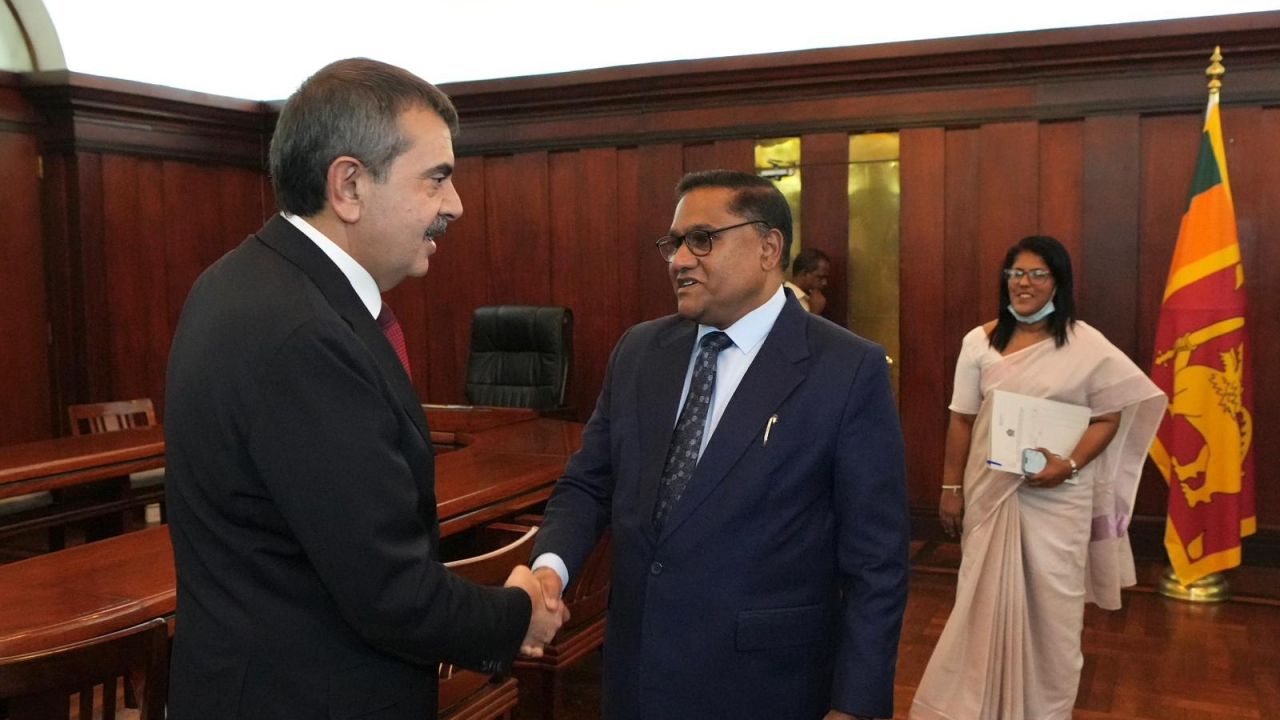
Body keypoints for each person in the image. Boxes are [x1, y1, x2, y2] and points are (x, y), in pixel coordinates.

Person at [164, 58, 564, 720]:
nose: (455, 205)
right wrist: (518, 614)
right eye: (436, 178)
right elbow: (391, 594)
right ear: (349, 185)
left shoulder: (241, 280)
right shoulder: (306, 335)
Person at [529, 170, 910, 720]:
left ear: (768, 248)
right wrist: (550, 569)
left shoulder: (847, 370)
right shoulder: (640, 352)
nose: (680, 260)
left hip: (765, 685)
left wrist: (855, 705)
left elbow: (877, 562)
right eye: (674, 243)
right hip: (638, 676)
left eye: (702, 239)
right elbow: (589, 483)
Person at [909, 236, 1166, 720]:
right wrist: (950, 489)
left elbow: (1108, 418)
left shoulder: (1086, 345)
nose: (1024, 283)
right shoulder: (979, 342)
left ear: (1058, 283)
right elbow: (961, 420)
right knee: (982, 604)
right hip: (992, 495)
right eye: (1016, 273)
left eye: (1037, 274)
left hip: (1059, 501)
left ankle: (1046, 711)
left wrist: (1068, 465)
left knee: (1055, 615)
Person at [785, 247, 832, 314]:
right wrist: (815, 312)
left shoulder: (812, 298)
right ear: (804, 273)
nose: (825, 283)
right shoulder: (784, 298)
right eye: (820, 277)